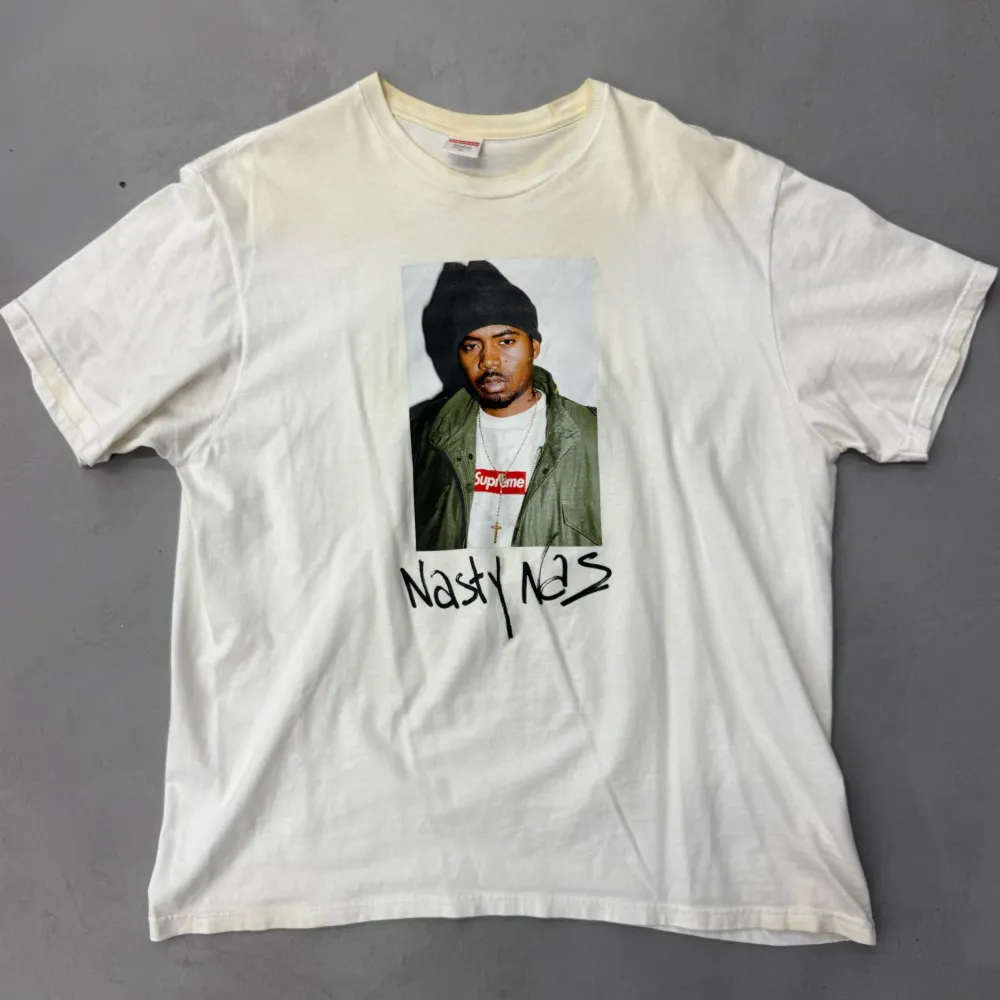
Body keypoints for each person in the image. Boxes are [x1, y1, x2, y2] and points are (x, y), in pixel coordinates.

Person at [410, 260, 601, 551]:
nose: (488, 360)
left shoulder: (596, 433)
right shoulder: (420, 434)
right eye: (472, 346)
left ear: (534, 347)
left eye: (506, 341)